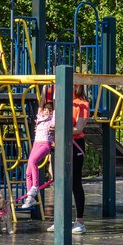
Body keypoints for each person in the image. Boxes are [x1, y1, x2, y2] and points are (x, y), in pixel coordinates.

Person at [47, 84, 88, 234]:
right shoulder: (59, 102)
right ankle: (60, 219)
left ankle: (80, 221)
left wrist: (60, 129)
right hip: (57, 143)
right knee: (58, 182)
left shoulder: (82, 104)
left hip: (74, 143)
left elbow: (79, 128)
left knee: (75, 182)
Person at [22, 99, 54, 209]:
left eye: (49, 109)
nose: (46, 111)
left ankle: (35, 186)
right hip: (36, 144)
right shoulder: (40, 117)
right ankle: (30, 197)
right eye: (45, 109)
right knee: (28, 172)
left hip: (45, 144)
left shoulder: (52, 119)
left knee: (33, 161)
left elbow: (55, 108)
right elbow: (41, 103)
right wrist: (44, 88)